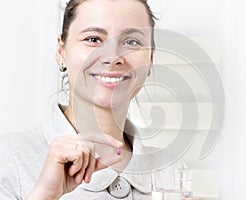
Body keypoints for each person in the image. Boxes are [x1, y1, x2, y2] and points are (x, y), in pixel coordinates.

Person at [0, 0, 168, 199]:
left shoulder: (169, 170)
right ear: (61, 52)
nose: (113, 57)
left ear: (150, 59)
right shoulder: (8, 160)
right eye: (94, 39)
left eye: (132, 42)